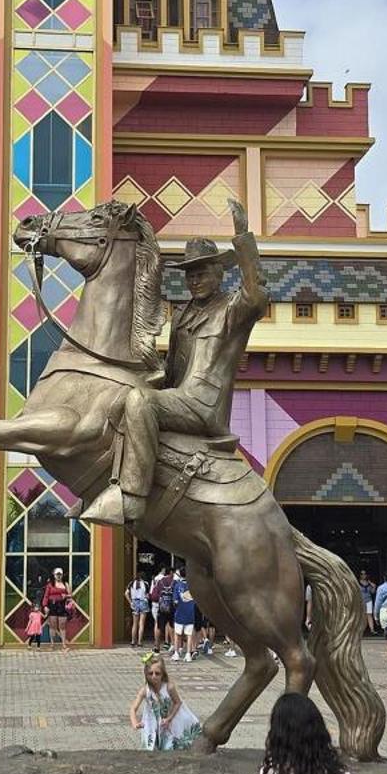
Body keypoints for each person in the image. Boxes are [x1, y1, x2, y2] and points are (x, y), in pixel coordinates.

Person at [84, 197, 267, 527]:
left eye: (201, 273)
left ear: (219, 273)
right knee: (120, 398)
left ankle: (133, 498)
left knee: (140, 402)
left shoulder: (233, 310)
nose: (194, 280)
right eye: (189, 275)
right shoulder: (181, 316)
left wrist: (243, 239)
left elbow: (256, 296)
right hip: (179, 398)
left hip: (203, 406)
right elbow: (171, 375)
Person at [129, 653, 201, 751]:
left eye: (157, 673)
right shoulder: (145, 690)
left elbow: (178, 702)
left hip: (169, 721)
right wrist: (135, 723)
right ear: (146, 674)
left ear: (163, 674)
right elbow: (133, 708)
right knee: (150, 746)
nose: (154, 676)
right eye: (150, 673)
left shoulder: (169, 687)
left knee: (168, 746)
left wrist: (169, 718)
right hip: (152, 722)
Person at [40, 568, 73, 650]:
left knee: (62, 625)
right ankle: (52, 644)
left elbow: (70, 595)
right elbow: (46, 596)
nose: (58, 576)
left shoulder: (65, 584)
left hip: (62, 605)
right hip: (52, 605)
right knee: (53, 625)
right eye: (57, 574)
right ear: (54, 575)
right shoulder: (50, 584)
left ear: (62, 575)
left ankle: (64, 645)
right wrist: (45, 606)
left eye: (60, 574)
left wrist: (66, 596)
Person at [172, 570, 198, 661]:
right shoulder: (193, 585)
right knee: (189, 635)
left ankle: (176, 653)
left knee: (177, 634)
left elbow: (175, 601)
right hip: (190, 613)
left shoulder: (177, 585)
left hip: (179, 613)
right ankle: (188, 654)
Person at [150, 566, 175, 652]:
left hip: (162, 607)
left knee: (159, 626)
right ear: (171, 573)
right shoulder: (174, 582)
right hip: (172, 608)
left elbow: (154, 596)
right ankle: (173, 644)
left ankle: (157, 646)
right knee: (172, 626)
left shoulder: (160, 582)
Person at [126, 575, 151, 648]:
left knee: (134, 623)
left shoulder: (131, 583)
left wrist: (130, 602)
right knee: (141, 623)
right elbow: (148, 595)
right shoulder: (145, 583)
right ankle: (140, 642)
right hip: (143, 602)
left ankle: (133, 641)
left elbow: (126, 593)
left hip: (134, 602)